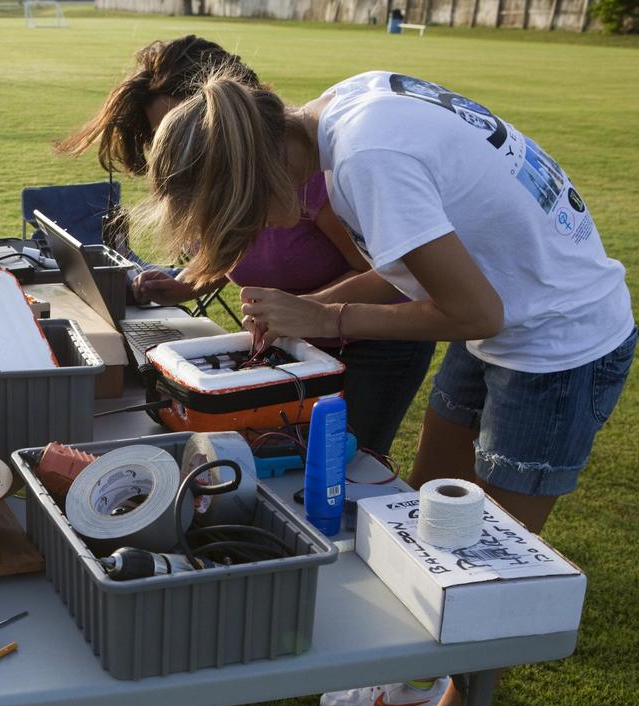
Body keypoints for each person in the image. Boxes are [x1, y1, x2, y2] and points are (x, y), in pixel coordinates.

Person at [133, 70, 637, 706]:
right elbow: (413, 274)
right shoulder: (342, 111)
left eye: (239, 216)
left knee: (484, 570)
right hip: (509, 317)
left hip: (559, 343)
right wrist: (315, 303)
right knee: (425, 519)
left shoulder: (368, 161)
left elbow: (476, 308)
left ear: (257, 173)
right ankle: (416, 680)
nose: (262, 233)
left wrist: (328, 322)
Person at [57, 35, 435, 455]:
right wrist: (194, 282)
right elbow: (250, 246)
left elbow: (389, 275)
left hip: (373, 343)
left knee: (346, 467)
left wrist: (313, 311)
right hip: (294, 344)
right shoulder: (235, 176)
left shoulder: (310, 170)